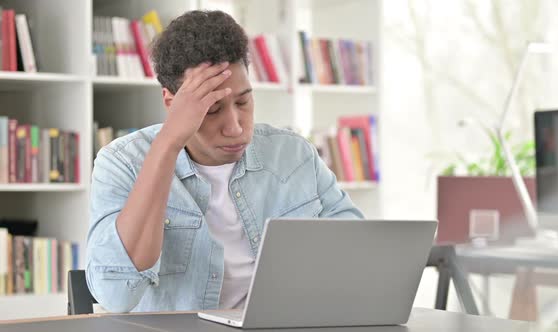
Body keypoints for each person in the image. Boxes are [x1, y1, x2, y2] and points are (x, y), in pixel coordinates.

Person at [86, 10, 363, 313]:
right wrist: (168, 144)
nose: (235, 126)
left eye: (243, 102)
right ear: (170, 102)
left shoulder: (294, 155)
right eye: (212, 108)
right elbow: (116, 296)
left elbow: (357, 255)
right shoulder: (121, 163)